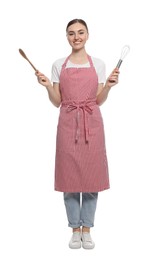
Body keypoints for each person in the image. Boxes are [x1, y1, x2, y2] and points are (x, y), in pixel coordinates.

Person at [35, 18, 119, 249]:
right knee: (69, 178)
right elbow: (57, 102)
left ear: (88, 35)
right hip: (67, 123)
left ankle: (87, 229)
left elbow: (98, 100)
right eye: (71, 33)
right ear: (67, 37)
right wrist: (46, 87)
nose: (76, 37)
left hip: (91, 123)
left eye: (81, 32)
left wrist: (109, 86)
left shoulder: (99, 64)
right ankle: (74, 229)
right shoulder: (58, 64)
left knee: (91, 177)